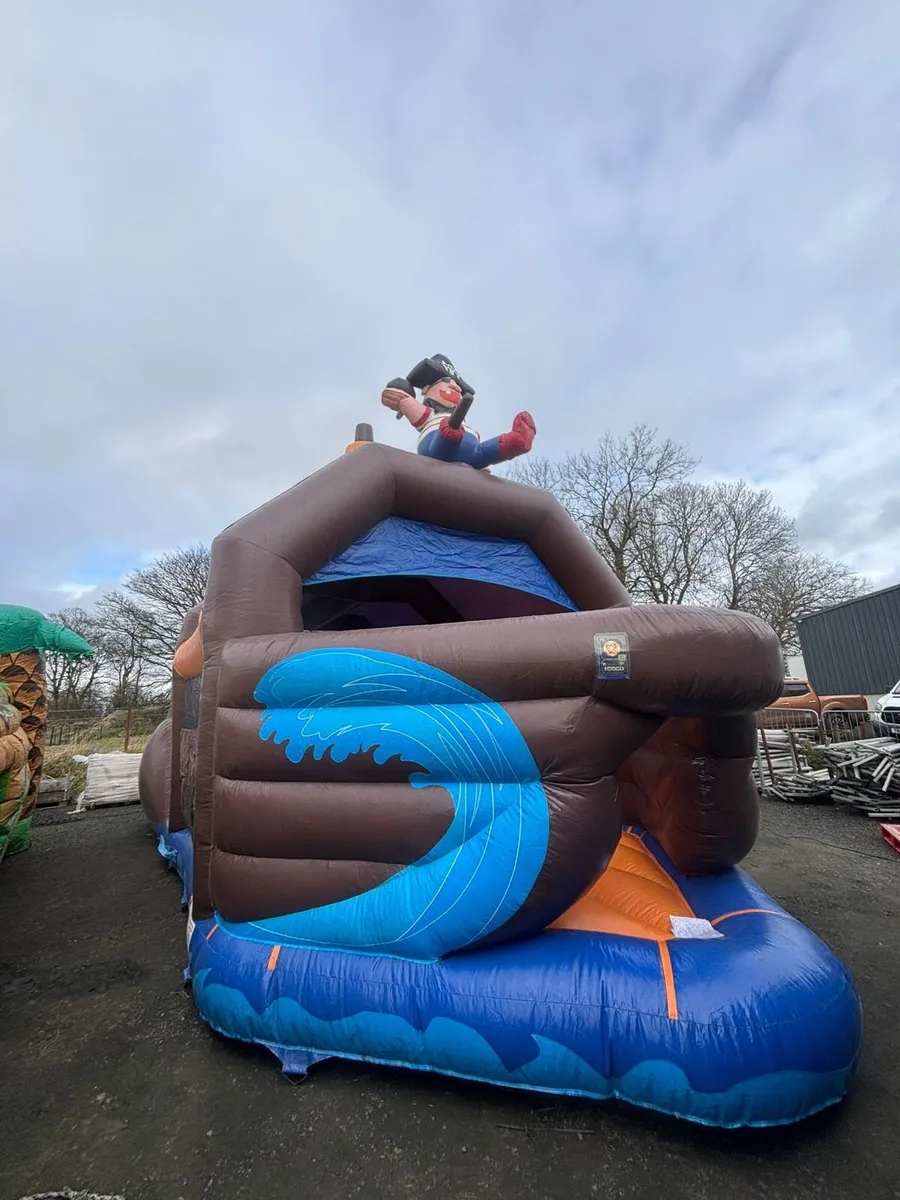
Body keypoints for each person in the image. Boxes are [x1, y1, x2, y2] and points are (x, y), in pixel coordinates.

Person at [381, 354, 535, 470]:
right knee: (448, 435)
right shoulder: (431, 415)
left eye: (458, 386)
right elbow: (407, 403)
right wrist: (403, 397)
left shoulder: (465, 423)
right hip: (436, 449)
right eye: (447, 382)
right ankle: (450, 433)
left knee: (483, 452)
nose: (455, 387)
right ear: (426, 389)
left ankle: (516, 441)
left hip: (472, 455)